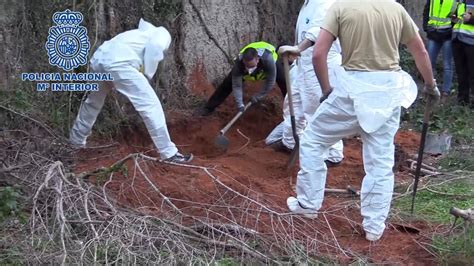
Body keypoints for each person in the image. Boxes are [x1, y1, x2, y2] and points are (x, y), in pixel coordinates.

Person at [284, 0, 439, 242]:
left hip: (350, 93)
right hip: (387, 93)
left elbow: (318, 54)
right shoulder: (395, 9)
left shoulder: (340, 7)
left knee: (313, 140)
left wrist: (326, 91)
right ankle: (374, 227)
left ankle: (308, 204)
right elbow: (419, 50)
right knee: (380, 162)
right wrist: (431, 85)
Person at [69, 19, 193, 163]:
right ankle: (169, 154)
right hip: (118, 64)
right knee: (151, 105)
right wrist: (147, 74)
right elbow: (156, 46)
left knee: (92, 103)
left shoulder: (134, 35)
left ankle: (75, 144)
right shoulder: (161, 34)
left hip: (98, 60)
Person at [265, 0, 344, 166]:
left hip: (322, 62)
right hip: (303, 64)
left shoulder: (326, 3)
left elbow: (318, 31)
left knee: (318, 109)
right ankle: (290, 142)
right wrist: (297, 51)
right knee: (293, 104)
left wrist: (298, 48)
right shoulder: (308, 4)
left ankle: (332, 154)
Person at [200, 41, 287, 115]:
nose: (248, 70)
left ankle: (291, 110)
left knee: (284, 81)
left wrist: (257, 97)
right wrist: (240, 104)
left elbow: (270, 82)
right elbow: (237, 85)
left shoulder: (268, 60)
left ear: (257, 60)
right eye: (246, 66)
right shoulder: (239, 64)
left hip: (268, 61)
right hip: (252, 63)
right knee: (227, 83)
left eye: (251, 66)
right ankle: (208, 108)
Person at [423, 0, 456, 102]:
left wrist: (452, 30)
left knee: (447, 65)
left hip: (448, 35)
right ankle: (429, 90)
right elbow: (426, 11)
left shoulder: (455, 1)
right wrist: (426, 27)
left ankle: (445, 93)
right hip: (434, 33)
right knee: (429, 63)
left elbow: (458, 16)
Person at [452, 0, 474, 108]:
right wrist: (454, 19)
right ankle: (462, 101)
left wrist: (471, 19)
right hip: (457, 39)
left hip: (471, 41)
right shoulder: (460, 1)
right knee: (461, 73)